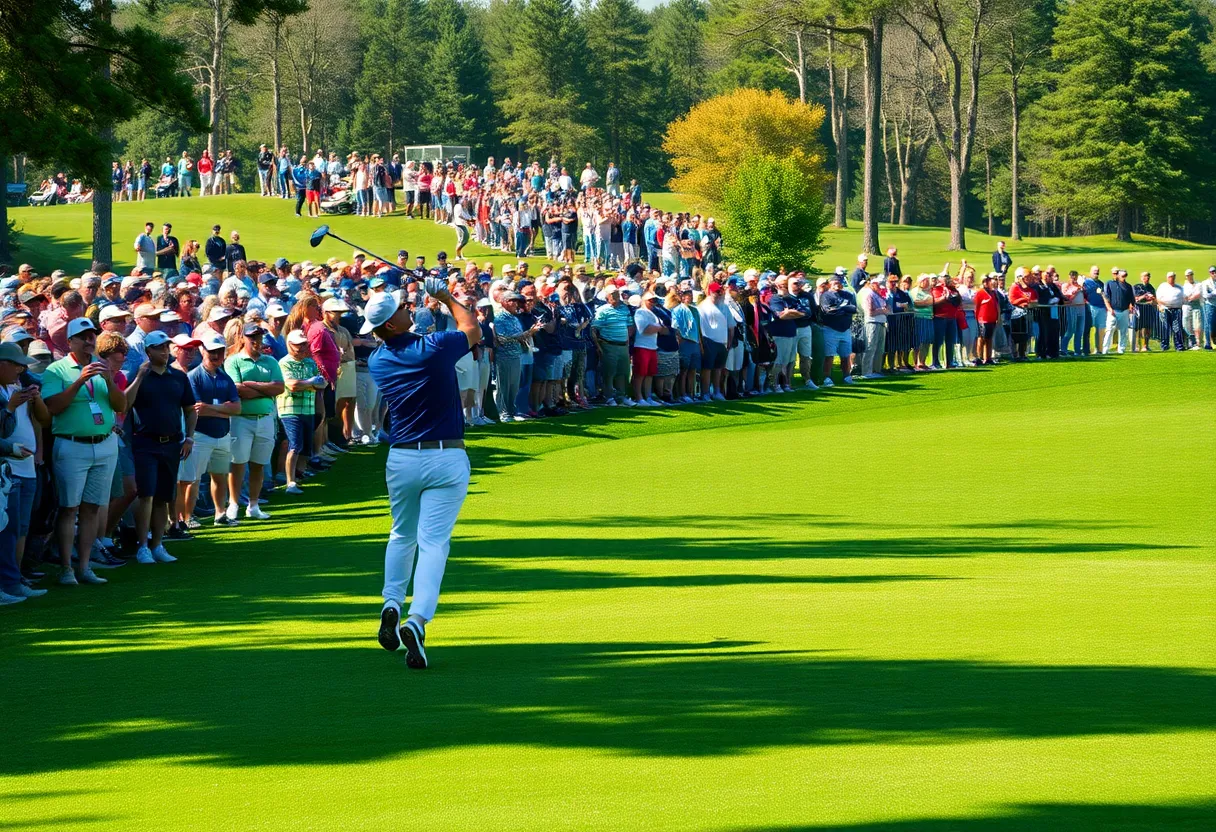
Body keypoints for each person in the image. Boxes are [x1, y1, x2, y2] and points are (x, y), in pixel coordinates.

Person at [367, 277, 481, 670]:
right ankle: (416, 621)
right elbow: (471, 328)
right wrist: (446, 296)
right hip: (446, 456)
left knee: (402, 534)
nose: (407, 308)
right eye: (401, 309)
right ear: (391, 323)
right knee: (433, 543)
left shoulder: (379, 360)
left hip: (402, 459)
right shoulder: (433, 348)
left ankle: (391, 602)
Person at [42, 318, 126, 585]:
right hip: (72, 445)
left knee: (91, 508)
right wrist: (79, 381)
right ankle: (66, 569)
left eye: (92, 336)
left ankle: (85, 566)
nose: (90, 341)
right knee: (69, 508)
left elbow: (120, 405)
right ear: (70, 342)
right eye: (84, 336)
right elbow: (53, 407)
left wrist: (109, 380)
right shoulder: (56, 370)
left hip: (104, 444)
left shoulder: (103, 367)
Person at [123, 330, 196, 564]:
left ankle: (157, 545)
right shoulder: (139, 375)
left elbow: (190, 409)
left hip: (172, 443)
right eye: (159, 347)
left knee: (164, 496)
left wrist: (189, 438)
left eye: (166, 347)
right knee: (147, 495)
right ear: (148, 351)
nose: (165, 351)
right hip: (145, 442)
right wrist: (139, 376)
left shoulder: (178, 377)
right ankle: (143, 546)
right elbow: (125, 404)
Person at [223, 324, 284, 522]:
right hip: (241, 420)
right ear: (243, 338)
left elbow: (279, 388)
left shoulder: (270, 361)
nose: (257, 342)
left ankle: (253, 505)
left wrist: (253, 385)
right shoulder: (233, 361)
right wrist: (265, 390)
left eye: (259, 337)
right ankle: (233, 504)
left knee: (259, 463)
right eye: (252, 338)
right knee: (238, 463)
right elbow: (237, 389)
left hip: (265, 418)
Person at [0, 342, 44, 604]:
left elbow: (43, 420)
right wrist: (9, 408)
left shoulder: (14, 387)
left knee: (15, 529)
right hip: (7, 470)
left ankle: (13, 582)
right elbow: (4, 430)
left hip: (20, 469)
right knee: (6, 530)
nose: (21, 370)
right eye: (16, 365)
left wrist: (32, 400)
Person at [184, 332, 241, 526]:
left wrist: (212, 409)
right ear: (203, 351)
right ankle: (188, 518)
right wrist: (224, 409)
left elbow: (237, 408)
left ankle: (220, 514)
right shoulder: (194, 376)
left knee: (220, 476)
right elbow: (197, 410)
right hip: (200, 435)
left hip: (222, 434)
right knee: (193, 479)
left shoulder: (225, 377)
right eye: (212, 351)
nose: (216, 355)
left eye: (219, 351)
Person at [277, 330, 325, 494]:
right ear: (289, 345)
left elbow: (322, 384)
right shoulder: (284, 363)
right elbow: (292, 385)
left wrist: (306, 384)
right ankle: (290, 482)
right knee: (295, 445)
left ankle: (299, 474)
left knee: (305, 446)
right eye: (298, 345)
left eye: (304, 344)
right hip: (289, 410)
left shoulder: (310, 363)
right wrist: (310, 382)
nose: (301, 348)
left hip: (308, 408)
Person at [819, 274, 856, 386]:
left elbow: (853, 308)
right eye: (834, 282)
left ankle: (846, 376)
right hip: (831, 329)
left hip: (845, 329)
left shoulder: (847, 295)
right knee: (829, 355)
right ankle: (827, 377)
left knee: (845, 355)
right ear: (829, 283)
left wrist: (839, 308)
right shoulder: (826, 296)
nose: (837, 284)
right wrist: (844, 309)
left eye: (838, 282)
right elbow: (828, 311)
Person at [1103, 269, 1135, 355]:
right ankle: (1105, 349)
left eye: (1125, 275)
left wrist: (1131, 306)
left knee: (1123, 331)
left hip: (1124, 310)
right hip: (1113, 310)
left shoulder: (1128, 286)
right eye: (1122, 276)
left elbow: (1131, 299)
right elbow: (1106, 297)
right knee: (1109, 330)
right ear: (1118, 275)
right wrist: (1109, 308)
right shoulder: (1110, 284)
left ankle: (1121, 348)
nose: (1124, 277)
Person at [1156, 271, 1186, 351]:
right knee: (1165, 328)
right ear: (1167, 278)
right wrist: (1161, 305)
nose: (1171, 279)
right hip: (1165, 309)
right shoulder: (1162, 286)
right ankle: (1165, 345)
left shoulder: (1179, 287)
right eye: (1170, 277)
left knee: (1177, 328)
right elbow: (1157, 298)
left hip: (1176, 309)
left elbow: (1184, 298)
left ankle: (1179, 345)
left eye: (1173, 277)